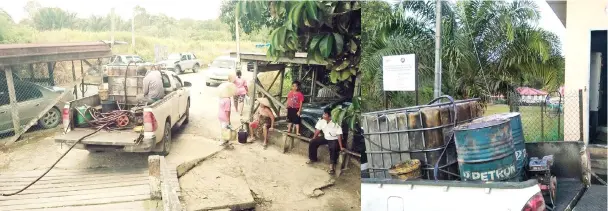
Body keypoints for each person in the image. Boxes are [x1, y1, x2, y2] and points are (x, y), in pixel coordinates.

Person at [307, 108, 344, 175]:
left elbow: (339, 135)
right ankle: (312, 158)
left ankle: (331, 167)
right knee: (313, 142)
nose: (323, 115)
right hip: (325, 137)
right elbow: (317, 130)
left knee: (333, 148)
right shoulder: (321, 121)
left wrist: (341, 147)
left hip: (334, 139)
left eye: (325, 114)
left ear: (329, 116)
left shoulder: (336, 122)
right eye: (323, 114)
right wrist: (313, 138)